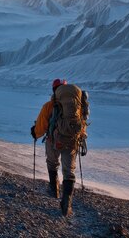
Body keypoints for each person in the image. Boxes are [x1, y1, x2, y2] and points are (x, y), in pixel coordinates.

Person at [31, 78, 87, 216]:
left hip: (53, 140)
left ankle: (54, 189)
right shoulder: (78, 107)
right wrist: (81, 136)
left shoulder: (49, 106)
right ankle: (66, 203)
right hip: (72, 141)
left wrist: (35, 133)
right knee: (69, 171)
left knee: (52, 163)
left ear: (54, 90)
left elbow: (42, 125)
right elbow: (82, 124)